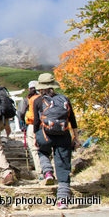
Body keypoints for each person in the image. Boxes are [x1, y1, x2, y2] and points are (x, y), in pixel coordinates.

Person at [33, 73, 80, 209]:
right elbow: (72, 120)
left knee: (42, 151)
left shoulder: (37, 101)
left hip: (45, 134)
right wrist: (76, 137)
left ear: (40, 87)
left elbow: (36, 122)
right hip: (63, 135)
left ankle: (47, 172)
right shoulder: (64, 99)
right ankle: (63, 200)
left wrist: (37, 136)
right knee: (64, 165)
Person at [18, 81, 43, 179]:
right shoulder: (43, 98)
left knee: (34, 148)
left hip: (32, 125)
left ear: (29, 89)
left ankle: (40, 171)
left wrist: (22, 123)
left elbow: (21, 112)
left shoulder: (27, 100)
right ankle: (47, 168)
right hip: (44, 125)